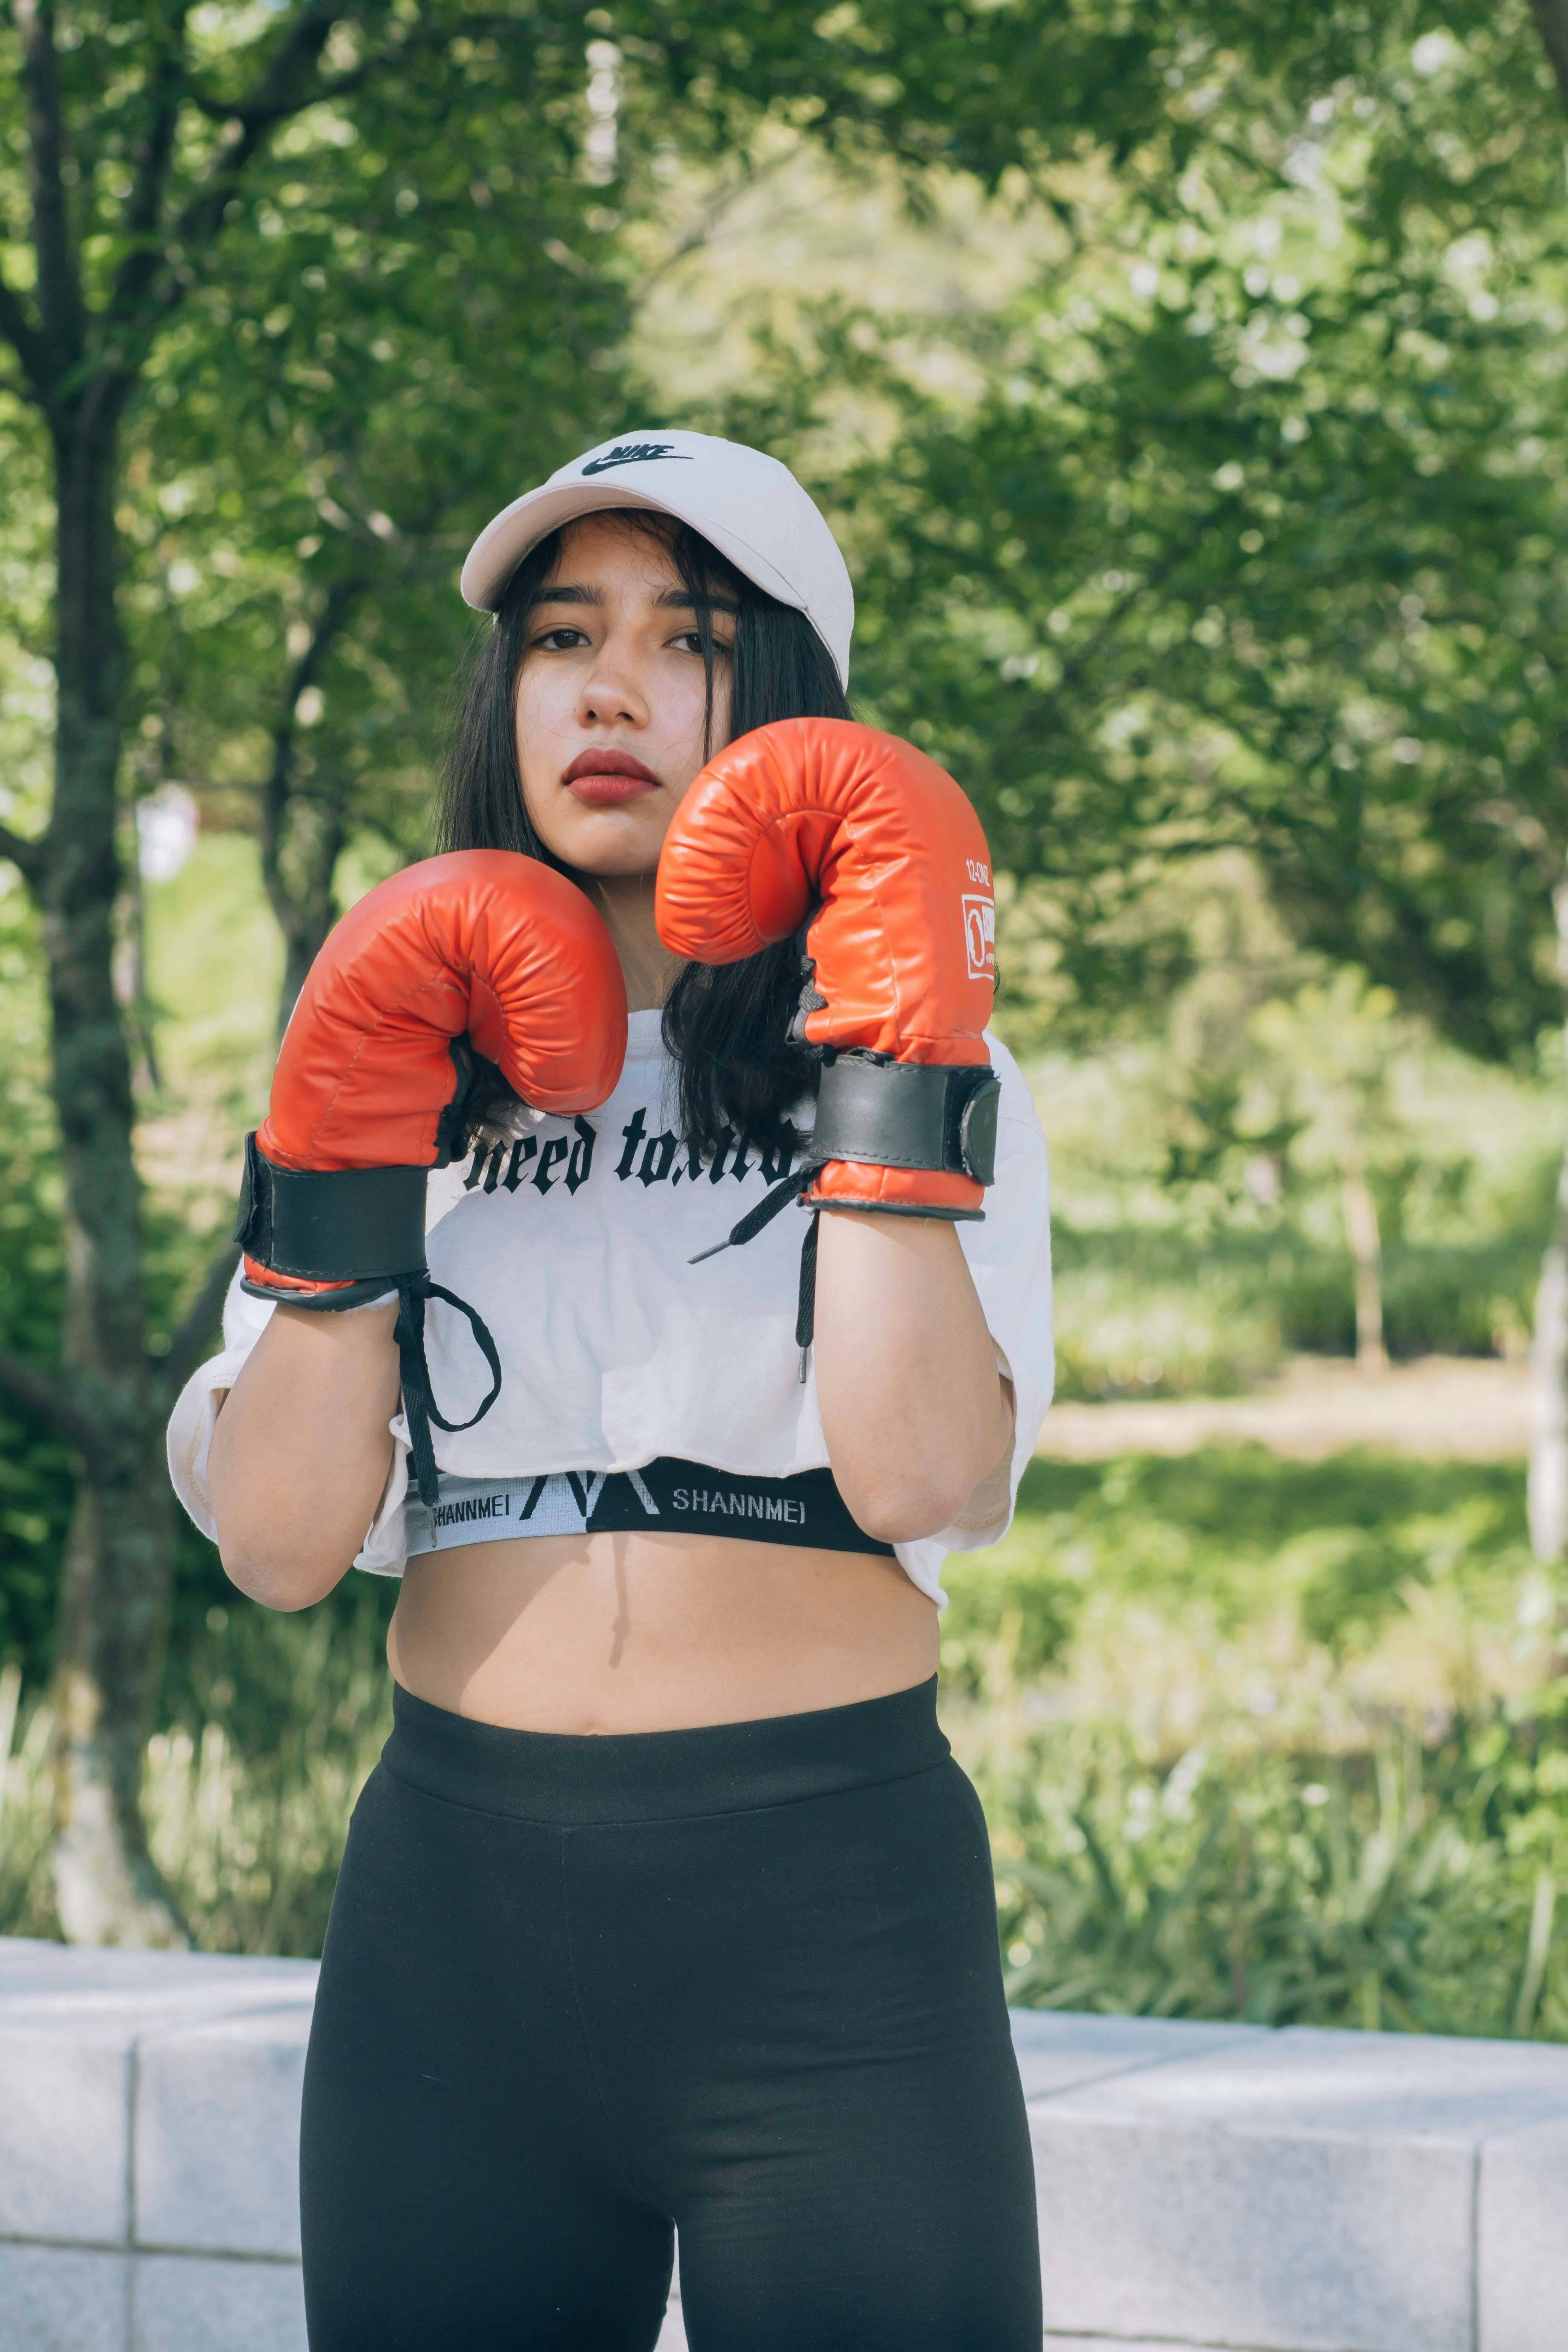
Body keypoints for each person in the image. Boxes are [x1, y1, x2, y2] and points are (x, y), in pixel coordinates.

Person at [168, 430, 1053, 2351]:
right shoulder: (401, 1052)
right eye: (563, 636)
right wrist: (351, 1150)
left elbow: (917, 1473)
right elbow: (280, 1547)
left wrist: (886, 1064)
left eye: (690, 640)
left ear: (791, 700)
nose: (609, 688)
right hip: (451, 1933)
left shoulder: (927, 1058)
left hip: (827, 1924)